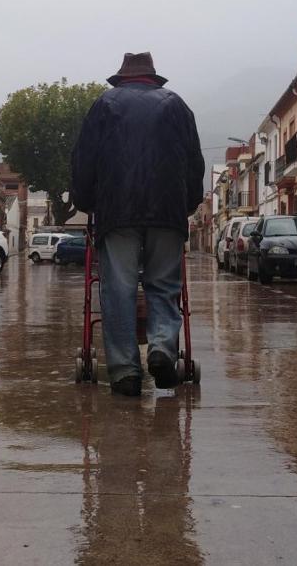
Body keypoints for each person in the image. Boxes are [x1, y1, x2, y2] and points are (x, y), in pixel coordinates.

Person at [70, 52, 205, 396]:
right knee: (163, 284)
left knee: (118, 288)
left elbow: (84, 160)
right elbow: (194, 162)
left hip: (117, 213)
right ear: (153, 78)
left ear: (121, 79)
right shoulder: (177, 106)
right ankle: (161, 346)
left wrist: (86, 202)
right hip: (167, 211)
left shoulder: (104, 105)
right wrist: (186, 204)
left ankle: (125, 373)